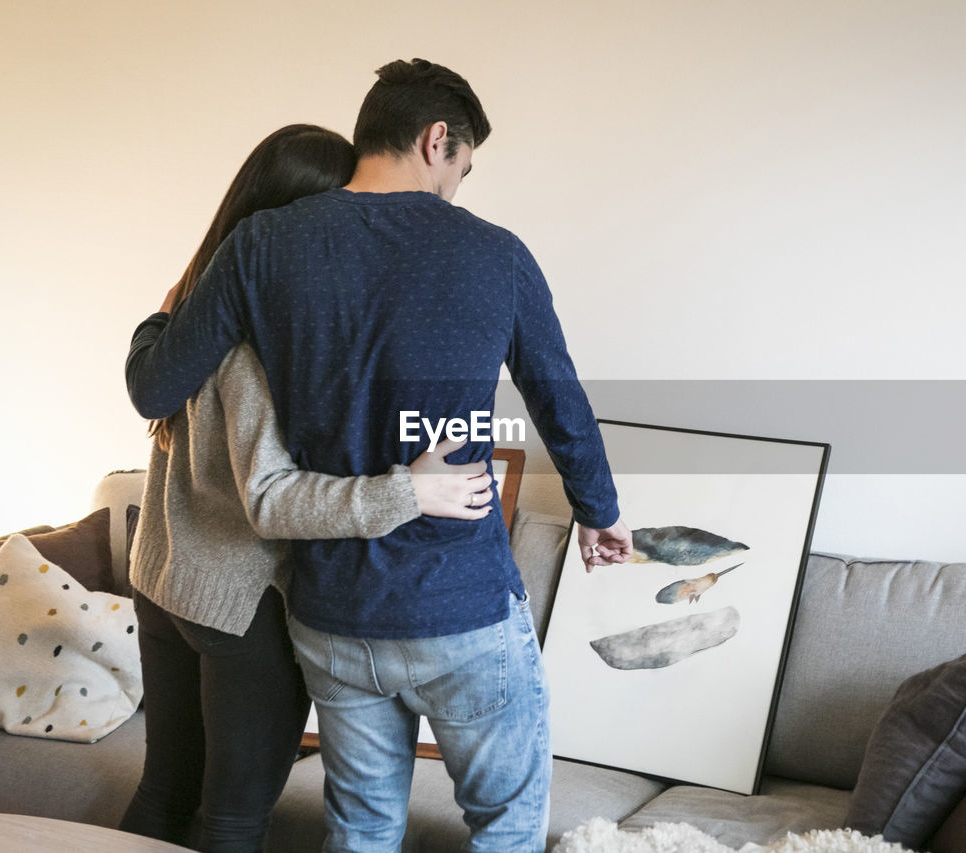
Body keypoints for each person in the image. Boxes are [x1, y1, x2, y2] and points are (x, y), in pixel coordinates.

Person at [125, 60, 634, 852]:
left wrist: (158, 318)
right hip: (458, 604)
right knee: (508, 826)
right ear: (438, 140)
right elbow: (558, 398)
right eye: (462, 167)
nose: (458, 186)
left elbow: (157, 387)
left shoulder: (260, 244)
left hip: (333, 617)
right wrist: (601, 512)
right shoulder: (496, 254)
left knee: (360, 828)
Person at [119, 123, 495, 853]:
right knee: (230, 823)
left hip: (165, 582)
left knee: (161, 798)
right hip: (239, 609)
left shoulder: (189, 305)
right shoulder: (259, 340)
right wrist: (408, 490)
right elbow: (271, 499)